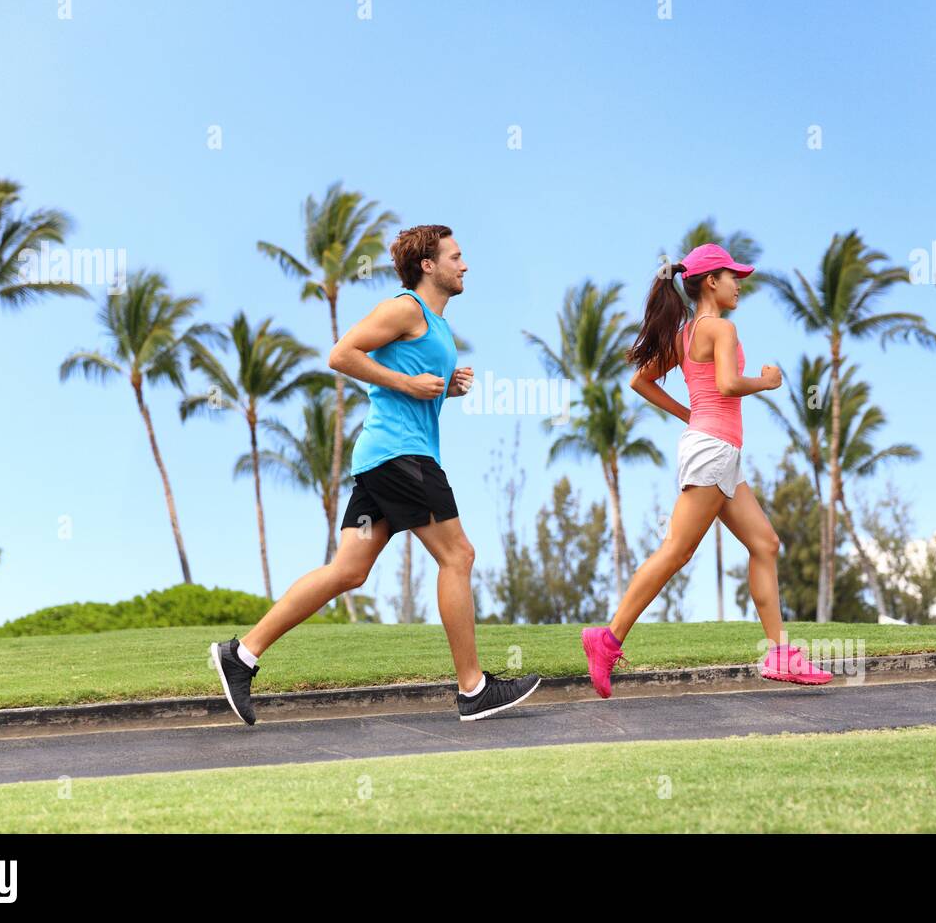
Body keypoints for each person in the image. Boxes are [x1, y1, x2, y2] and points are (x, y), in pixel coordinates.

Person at [211, 224, 540, 724]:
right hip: (402, 458)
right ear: (428, 265)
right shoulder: (405, 307)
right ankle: (473, 688)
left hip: (382, 461)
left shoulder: (437, 323)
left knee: (349, 570)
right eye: (455, 256)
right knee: (459, 555)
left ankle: (242, 654)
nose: (464, 264)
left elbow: (407, 379)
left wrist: (445, 388)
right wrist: (408, 383)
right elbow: (341, 353)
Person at [580, 242, 832, 696]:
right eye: (733, 276)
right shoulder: (720, 329)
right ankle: (607, 639)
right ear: (711, 281)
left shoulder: (685, 334)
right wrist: (769, 382)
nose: (739, 284)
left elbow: (640, 381)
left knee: (765, 543)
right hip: (713, 450)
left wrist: (689, 415)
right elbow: (727, 384)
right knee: (676, 550)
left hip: (717, 450)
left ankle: (779, 653)